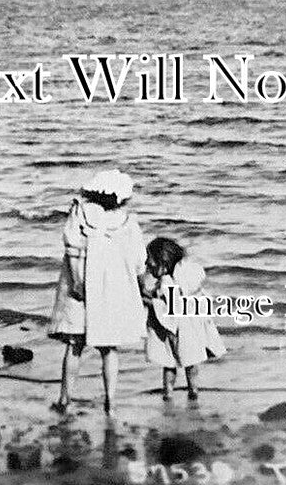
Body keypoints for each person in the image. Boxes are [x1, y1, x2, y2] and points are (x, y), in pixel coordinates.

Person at [46, 169, 147, 416]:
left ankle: (65, 398)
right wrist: (140, 284)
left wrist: (79, 283)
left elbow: (71, 248)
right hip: (110, 290)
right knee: (109, 349)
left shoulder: (79, 214)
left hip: (78, 288)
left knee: (74, 346)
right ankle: (110, 403)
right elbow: (138, 261)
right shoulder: (127, 222)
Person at [142, 237, 226, 401]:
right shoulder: (183, 278)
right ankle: (193, 390)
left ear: (163, 264)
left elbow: (168, 308)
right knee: (191, 360)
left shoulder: (166, 282)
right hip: (189, 325)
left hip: (173, 329)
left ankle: (168, 393)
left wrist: (149, 301)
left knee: (169, 362)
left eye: (151, 263)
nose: (148, 266)